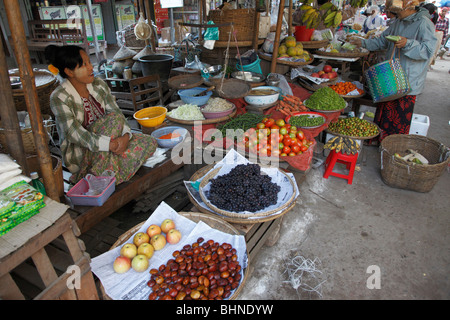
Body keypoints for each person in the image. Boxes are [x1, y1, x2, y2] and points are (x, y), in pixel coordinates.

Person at [46, 45, 157, 185]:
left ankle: (105, 174)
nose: (91, 68)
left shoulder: (98, 84)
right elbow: (73, 133)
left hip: (112, 143)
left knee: (150, 142)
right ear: (69, 71)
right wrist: (108, 145)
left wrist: (125, 137)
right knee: (114, 120)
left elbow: (116, 111)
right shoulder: (59, 97)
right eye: (84, 65)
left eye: (89, 63)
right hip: (83, 151)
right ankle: (99, 174)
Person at [351, 0, 437, 143]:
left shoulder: (423, 23)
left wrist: (407, 43)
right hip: (390, 77)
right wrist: (363, 42)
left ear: (410, 8)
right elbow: (382, 41)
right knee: (384, 110)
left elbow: (428, 51)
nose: (395, 15)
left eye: (398, 11)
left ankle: (392, 146)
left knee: (399, 117)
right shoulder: (398, 22)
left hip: (408, 80)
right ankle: (380, 141)